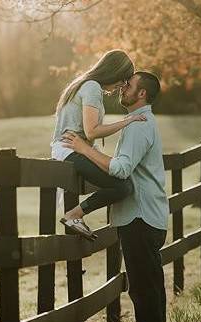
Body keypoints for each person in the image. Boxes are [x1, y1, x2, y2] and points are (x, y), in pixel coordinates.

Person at [62, 71, 169, 322]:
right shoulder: (143, 122)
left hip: (139, 217)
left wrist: (84, 149)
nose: (123, 88)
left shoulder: (138, 126)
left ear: (142, 94)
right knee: (151, 285)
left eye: (129, 85)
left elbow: (121, 170)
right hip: (148, 215)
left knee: (143, 288)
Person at [51, 49, 147, 240]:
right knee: (122, 187)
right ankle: (74, 215)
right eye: (122, 80)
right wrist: (128, 120)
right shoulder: (92, 87)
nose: (122, 86)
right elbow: (92, 131)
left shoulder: (84, 84)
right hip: (71, 150)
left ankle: (74, 214)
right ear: (114, 72)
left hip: (74, 149)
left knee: (123, 183)